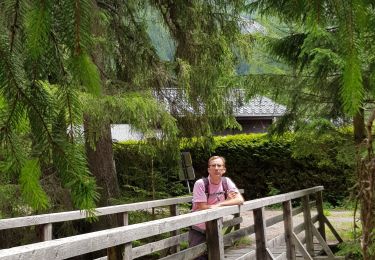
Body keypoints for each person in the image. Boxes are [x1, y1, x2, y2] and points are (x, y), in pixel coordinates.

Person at [188, 156, 244, 259]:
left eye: (219, 165)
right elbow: (202, 207)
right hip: (198, 229)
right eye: (213, 165)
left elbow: (240, 200)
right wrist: (226, 201)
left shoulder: (226, 182)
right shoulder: (200, 184)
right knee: (197, 258)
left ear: (224, 169)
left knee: (215, 256)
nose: (216, 168)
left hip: (216, 228)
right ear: (209, 169)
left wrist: (220, 204)